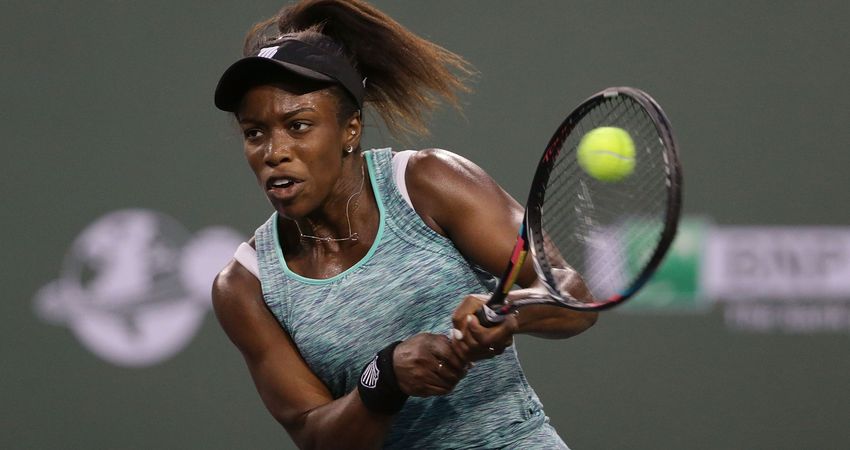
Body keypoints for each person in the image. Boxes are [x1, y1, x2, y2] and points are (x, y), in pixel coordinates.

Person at [211, 1, 598, 448]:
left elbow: (573, 294)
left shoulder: (429, 183)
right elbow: (314, 435)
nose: (273, 151)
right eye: (254, 133)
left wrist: (510, 313)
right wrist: (385, 380)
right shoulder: (245, 286)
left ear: (350, 130)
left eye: (297, 126)